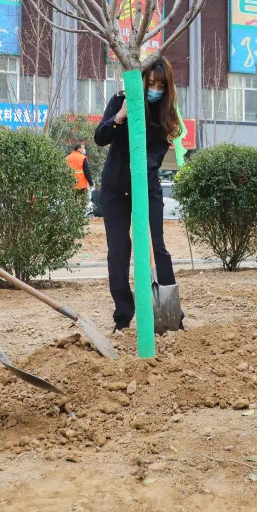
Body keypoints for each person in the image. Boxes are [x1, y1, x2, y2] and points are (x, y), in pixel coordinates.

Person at [94, 58, 183, 331]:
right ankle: (123, 315)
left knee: (157, 247)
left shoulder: (166, 113)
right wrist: (119, 117)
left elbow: (158, 152)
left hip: (146, 187)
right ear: (142, 81)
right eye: (151, 83)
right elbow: (100, 137)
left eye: (160, 85)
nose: (154, 89)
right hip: (115, 189)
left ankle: (170, 315)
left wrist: (143, 165)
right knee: (118, 251)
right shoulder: (122, 99)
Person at [66, 143, 95, 209]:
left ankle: (72, 217)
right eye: (83, 148)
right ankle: (80, 218)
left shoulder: (67, 158)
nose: (84, 150)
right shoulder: (83, 158)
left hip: (70, 184)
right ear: (79, 149)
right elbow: (87, 171)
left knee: (71, 203)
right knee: (82, 203)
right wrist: (91, 183)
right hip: (81, 185)